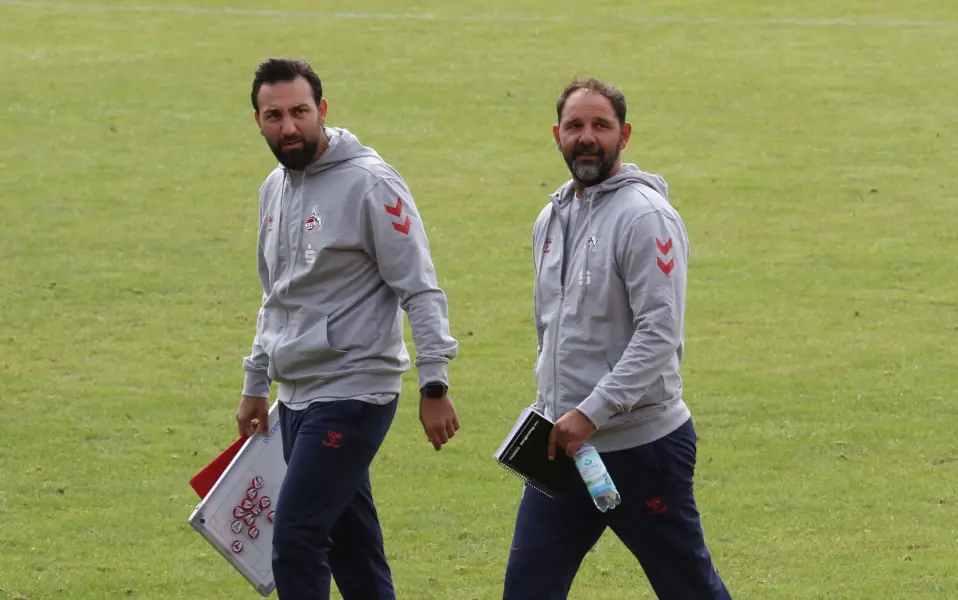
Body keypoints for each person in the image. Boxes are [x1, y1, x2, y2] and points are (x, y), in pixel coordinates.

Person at [235, 57, 461, 600]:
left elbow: (420, 287)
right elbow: (276, 297)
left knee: (296, 537)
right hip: (296, 397)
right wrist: (255, 384)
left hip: (355, 391)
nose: (289, 127)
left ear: (323, 111)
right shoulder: (274, 188)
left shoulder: (371, 184)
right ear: (258, 120)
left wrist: (435, 384)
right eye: (274, 116)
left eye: (299, 112)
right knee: (351, 548)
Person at [502, 77, 733, 599]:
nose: (587, 137)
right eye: (575, 126)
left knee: (688, 588)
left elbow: (659, 333)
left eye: (600, 126)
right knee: (528, 589)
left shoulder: (645, 218)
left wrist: (592, 411)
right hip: (562, 446)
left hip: (641, 448)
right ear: (555, 135)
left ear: (624, 135)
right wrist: (557, 408)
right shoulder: (550, 218)